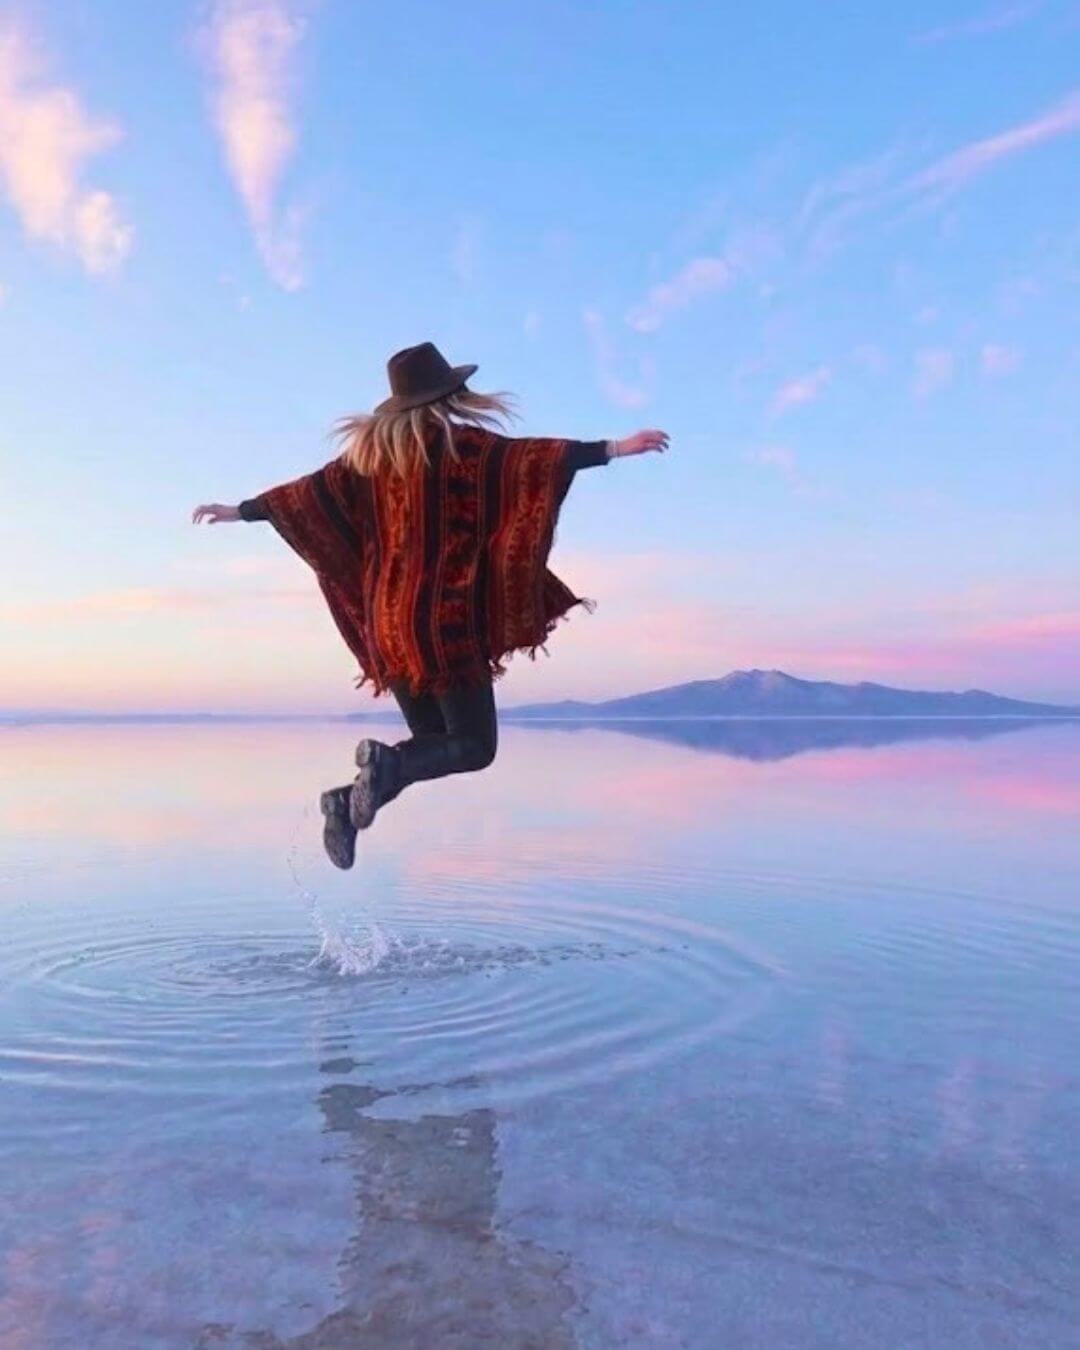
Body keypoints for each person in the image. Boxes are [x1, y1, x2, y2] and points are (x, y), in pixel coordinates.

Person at [193, 342, 667, 868]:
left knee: (428, 744)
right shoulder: (465, 449)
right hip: (444, 625)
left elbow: (300, 497)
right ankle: (378, 771)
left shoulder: (366, 462)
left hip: (387, 626)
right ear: (450, 396)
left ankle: (344, 806)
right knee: (473, 747)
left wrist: (237, 511)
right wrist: (616, 448)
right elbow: (534, 460)